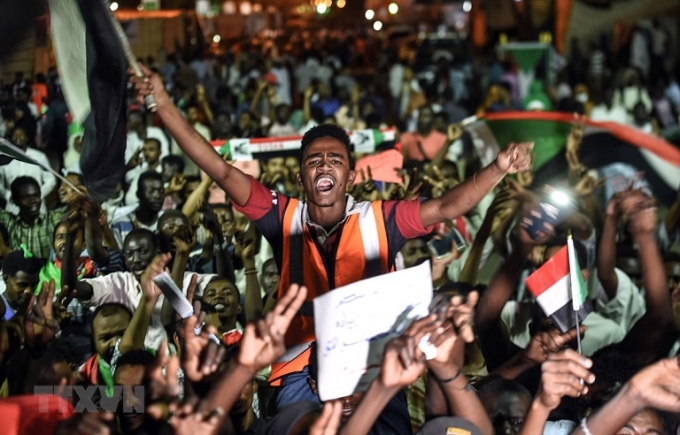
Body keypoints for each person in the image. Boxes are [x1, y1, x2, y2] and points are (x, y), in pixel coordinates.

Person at [130, 64, 532, 408]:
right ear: (303, 175)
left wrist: (497, 168)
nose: (324, 164)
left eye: (335, 159)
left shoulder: (383, 219)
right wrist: (162, 104)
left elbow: (446, 207)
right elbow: (220, 170)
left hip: (373, 372)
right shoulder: (280, 215)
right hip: (299, 372)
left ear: (350, 176)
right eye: (314, 160)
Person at [0, 177, 66, 260]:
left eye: (36, 195)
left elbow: (75, 208)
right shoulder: (9, 222)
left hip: (49, 272)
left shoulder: (52, 219)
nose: (33, 200)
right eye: (26, 197)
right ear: (15, 201)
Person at [0, 127, 56, 214]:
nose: (17, 137)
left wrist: (38, 194)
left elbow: (51, 180)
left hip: (37, 206)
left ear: (27, 138)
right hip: (13, 207)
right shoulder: (4, 159)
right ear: (10, 139)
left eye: (21, 135)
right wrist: (8, 195)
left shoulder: (39, 157)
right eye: (14, 135)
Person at [111, 171, 164, 248]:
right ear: (139, 194)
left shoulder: (167, 223)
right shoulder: (120, 224)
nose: (158, 196)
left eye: (161, 191)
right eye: (151, 191)